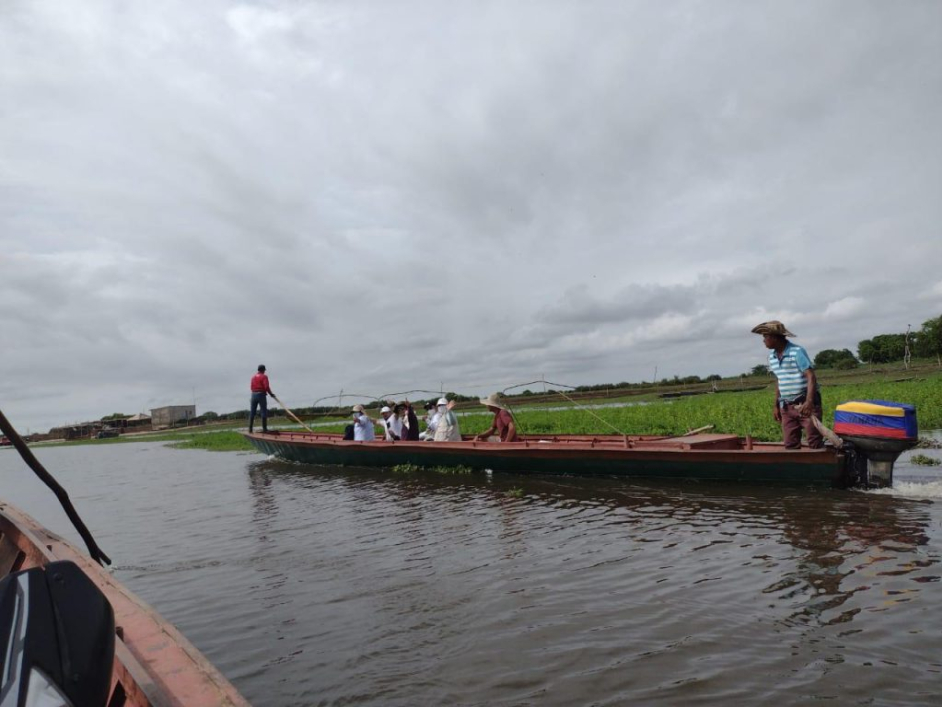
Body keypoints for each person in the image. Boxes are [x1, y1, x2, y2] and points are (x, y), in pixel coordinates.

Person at [752, 320, 823, 449]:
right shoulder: (772, 357)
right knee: (790, 444)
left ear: (774, 337)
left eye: (765, 337)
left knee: (814, 442)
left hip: (805, 404)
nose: (763, 341)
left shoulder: (797, 351)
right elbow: (779, 380)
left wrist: (809, 402)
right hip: (786, 406)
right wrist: (776, 406)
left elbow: (811, 376)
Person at [249, 364, 274, 433]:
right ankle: (265, 429)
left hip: (253, 395)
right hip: (261, 395)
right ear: (263, 370)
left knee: (252, 412)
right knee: (263, 411)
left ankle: (250, 429)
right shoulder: (264, 376)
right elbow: (266, 387)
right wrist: (271, 394)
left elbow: (251, 387)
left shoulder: (253, 377)